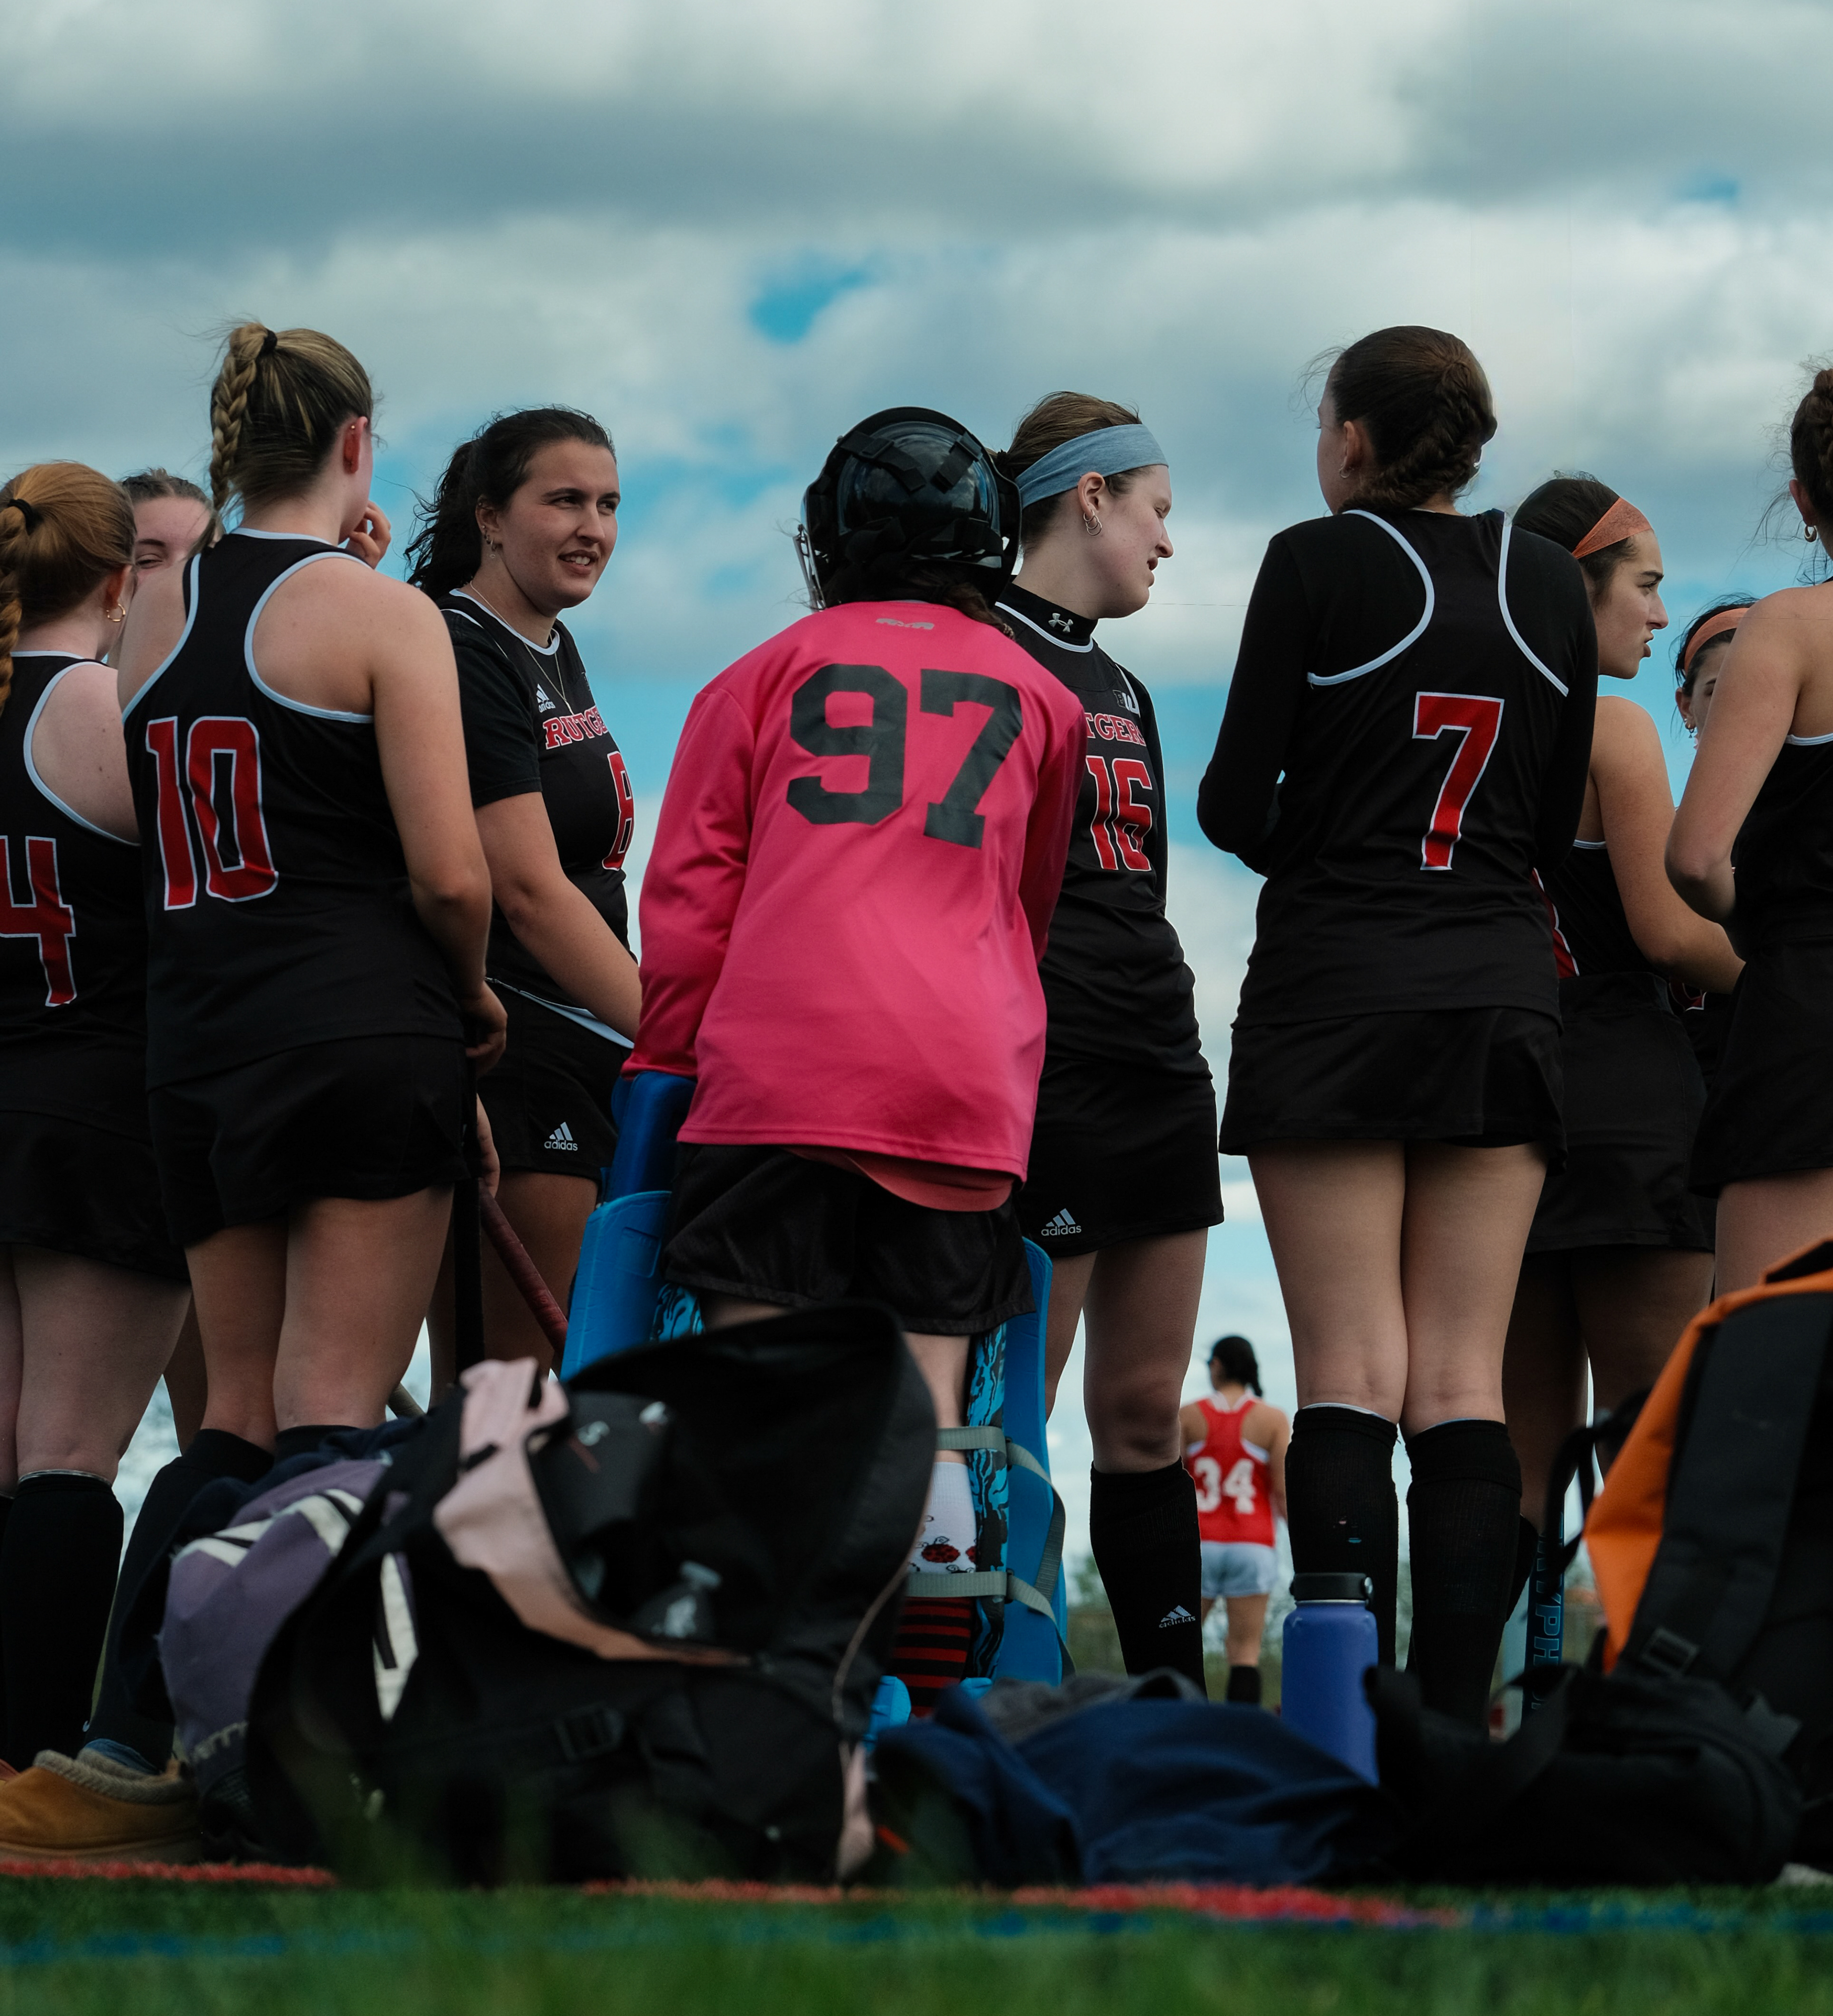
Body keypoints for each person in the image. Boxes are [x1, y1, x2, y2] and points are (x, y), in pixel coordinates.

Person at [0, 321, 505, 1859]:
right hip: (354, 1032)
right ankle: (276, 1755)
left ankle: (115, 1734)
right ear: (358, 443)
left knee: (227, 1418)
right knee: (331, 1417)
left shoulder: (144, 623)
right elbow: (449, 867)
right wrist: (474, 996)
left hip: (196, 1052)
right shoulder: (376, 612)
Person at [630, 407, 1084, 1713]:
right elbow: (1026, 906)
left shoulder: (753, 677)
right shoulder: (1045, 699)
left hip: (779, 1073)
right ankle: (916, 1705)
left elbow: (692, 908)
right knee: (927, 1403)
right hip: (957, 1081)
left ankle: (767, 1699)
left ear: (826, 538)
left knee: (764, 1398)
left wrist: (670, 1071)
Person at [1198, 324, 1597, 1725]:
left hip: (1337, 988)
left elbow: (1234, 809)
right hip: (1495, 989)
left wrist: (1341, 832)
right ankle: (1451, 1728)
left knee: (1351, 1374)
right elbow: (1550, 825)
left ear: (1355, 440)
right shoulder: (1548, 581)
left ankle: (1345, 1726)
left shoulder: (1318, 562)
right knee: (1461, 1382)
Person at [992, 391, 1221, 1689]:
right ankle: (994, 1686)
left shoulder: (1122, 675)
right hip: (1046, 1063)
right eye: (1157, 510)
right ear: (1089, 497)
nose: (1167, 543)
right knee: (1020, 1406)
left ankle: (1171, 1702)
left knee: (1143, 1413)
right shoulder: (983, 645)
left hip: (1156, 1054)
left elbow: (1152, 881)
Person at [1500, 480, 1742, 1539]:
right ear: (1578, 586)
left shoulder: (1474, 712)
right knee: (1658, 1446)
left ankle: (1491, 1695)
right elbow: (1669, 931)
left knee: (1508, 1464)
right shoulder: (1611, 726)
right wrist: (1796, 977)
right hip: (1622, 1095)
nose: (1655, 613)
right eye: (1644, 586)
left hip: (1495, 1094)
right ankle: (1647, 1693)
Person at [0, 466, 190, 1770]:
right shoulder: (97, 708)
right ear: (120, 582)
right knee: (69, 1455)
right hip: (98, 1104)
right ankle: (32, 1763)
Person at [409, 409, 643, 1374]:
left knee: (564, 1403)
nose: (592, 526)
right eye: (564, 501)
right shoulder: (463, 647)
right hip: (517, 1053)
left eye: (609, 504)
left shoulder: (545, 636)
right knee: (510, 1406)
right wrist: (690, 1041)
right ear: (492, 517)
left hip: (585, 1049)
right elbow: (530, 891)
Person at [1669, 364, 1833, 1294]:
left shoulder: (1794, 625)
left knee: (1775, 1383)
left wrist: (1753, 920)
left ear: (1805, 502)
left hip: (1821, 997)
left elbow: (1695, 859)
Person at [1666, 596, 1752, 1092]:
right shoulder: (1654, 834)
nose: (1747, 705)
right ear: (1686, 705)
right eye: (1721, 690)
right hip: (1694, 1092)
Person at [1180, 1336, 1289, 1705]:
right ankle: (1241, 1741)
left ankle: (1181, 1734)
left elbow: (1172, 1484)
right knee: (1245, 1652)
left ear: (1217, 1366)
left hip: (1199, 1544)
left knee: (1184, 1645)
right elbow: (1283, 1492)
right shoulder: (1272, 1419)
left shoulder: (1188, 1415)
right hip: (1252, 1544)